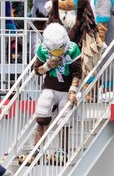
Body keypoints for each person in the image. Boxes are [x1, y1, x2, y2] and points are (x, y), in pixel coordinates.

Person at [28, 22, 81, 156]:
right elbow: (37, 70)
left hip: (66, 89)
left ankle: (62, 151)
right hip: (50, 86)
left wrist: (73, 90)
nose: (56, 52)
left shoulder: (72, 48)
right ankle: (37, 149)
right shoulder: (43, 49)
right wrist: (48, 65)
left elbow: (77, 72)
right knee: (42, 114)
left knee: (64, 120)